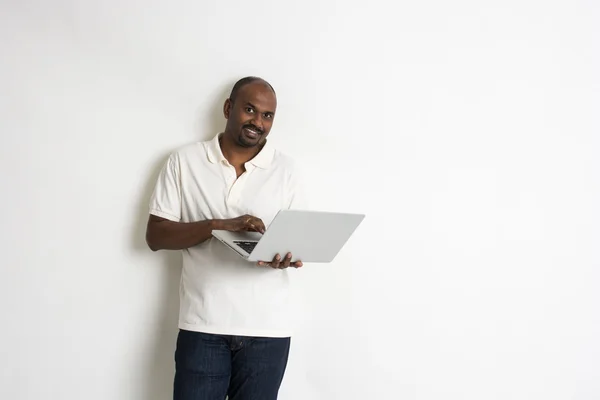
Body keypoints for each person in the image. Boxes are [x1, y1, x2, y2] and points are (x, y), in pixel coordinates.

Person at [145, 76, 306, 400]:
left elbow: (295, 238)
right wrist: (220, 225)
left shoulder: (286, 170)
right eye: (249, 110)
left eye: (267, 115)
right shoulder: (184, 161)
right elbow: (155, 235)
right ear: (228, 108)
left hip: (267, 330)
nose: (257, 122)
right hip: (203, 325)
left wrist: (286, 256)